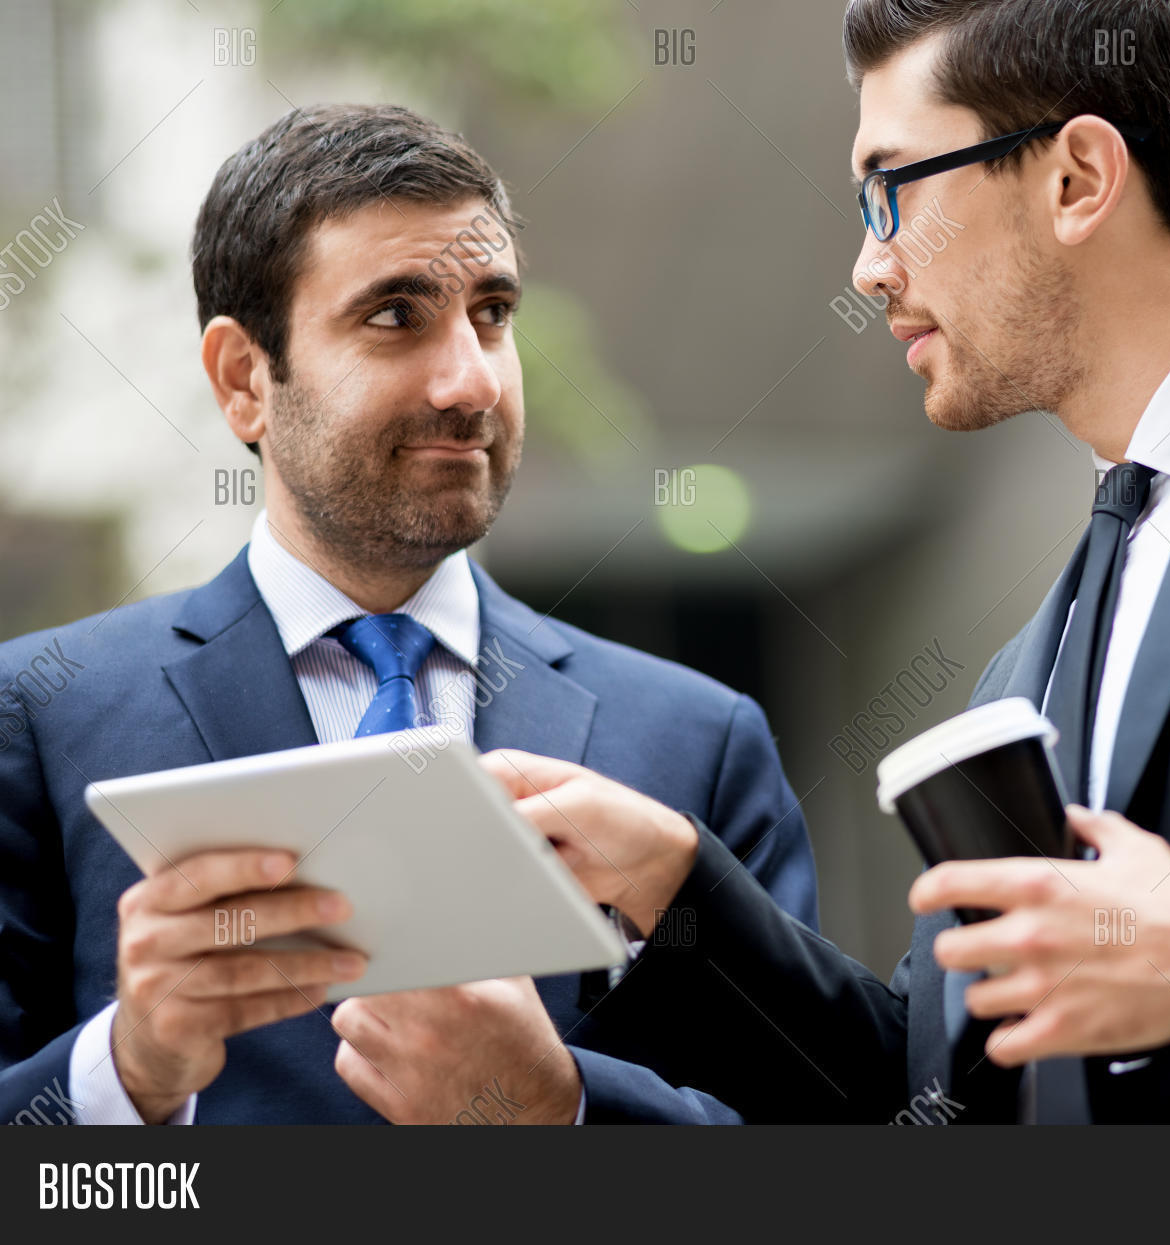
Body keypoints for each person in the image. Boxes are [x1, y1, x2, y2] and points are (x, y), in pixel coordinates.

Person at [485, 0, 1170, 1123]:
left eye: (891, 189)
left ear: (1077, 179)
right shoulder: (1023, 672)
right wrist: (677, 893)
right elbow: (927, 1088)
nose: (869, 267)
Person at [0, 103, 816, 1126]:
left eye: (493, 312)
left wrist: (561, 1110)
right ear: (245, 380)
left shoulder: (699, 742)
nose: (472, 380)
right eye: (395, 315)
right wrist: (126, 1072)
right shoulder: (42, 717)